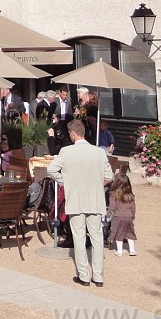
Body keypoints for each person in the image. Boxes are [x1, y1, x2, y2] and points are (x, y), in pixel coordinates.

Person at [47, 119, 113, 288]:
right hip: (95, 199)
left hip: (76, 198)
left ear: (72, 133)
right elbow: (109, 176)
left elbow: (51, 169)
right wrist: (97, 185)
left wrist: (65, 182)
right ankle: (98, 276)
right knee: (97, 237)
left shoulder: (66, 151)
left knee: (79, 237)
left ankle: (83, 275)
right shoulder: (99, 152)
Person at [107, 171, 137, 257]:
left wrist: (108, 214)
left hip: (118, 217)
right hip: (128, 217)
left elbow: (112, 206)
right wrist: (132, 215)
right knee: (130, 233)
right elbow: (133, 207)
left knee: (119, 233)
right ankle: (132, 250)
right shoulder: (130, 195)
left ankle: (119, 251)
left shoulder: (113, 195)